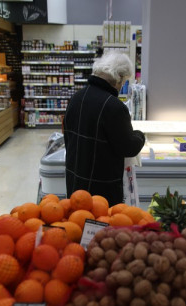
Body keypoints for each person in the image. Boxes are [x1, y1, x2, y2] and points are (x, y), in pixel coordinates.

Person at [63, 51, 145, 206]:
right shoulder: (114, 107)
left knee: (78, 220)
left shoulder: (76, 98)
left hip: (76, 182)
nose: (121, 86)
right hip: (101, 188)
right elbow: (127, 147)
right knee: (102, 226)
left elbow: (68, 138)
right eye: (123, 81)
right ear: (118, 78)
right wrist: (140, 135)